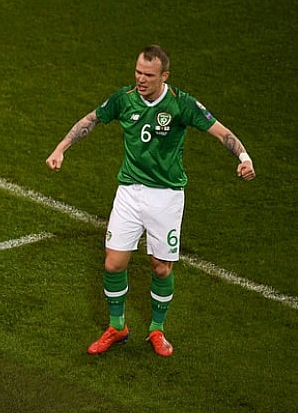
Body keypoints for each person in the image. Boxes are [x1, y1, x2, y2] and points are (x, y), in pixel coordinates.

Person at [45, 45, 256, 357]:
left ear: (164, 76)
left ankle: (157, 329)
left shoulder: (180, 104)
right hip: (129, 192)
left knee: (160, 268)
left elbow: (220, 131)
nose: (141, 79)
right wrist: (61, 147)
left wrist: (244, 156)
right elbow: (91, 119)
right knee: (113, 263)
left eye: (148, 75)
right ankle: (117, 326)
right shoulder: (124, 99)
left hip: (166, 197)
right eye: (138, 72)